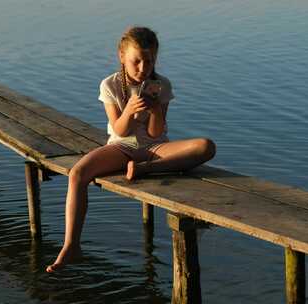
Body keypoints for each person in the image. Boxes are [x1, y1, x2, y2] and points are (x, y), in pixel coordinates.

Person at [46, 26, 215, 273]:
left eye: (149, 61)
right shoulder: (110, 85)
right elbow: (120, 129)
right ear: (122, 56)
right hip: (121, 147)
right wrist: (130, 110)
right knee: (77, 174)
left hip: (155, 149)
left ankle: (147, 169)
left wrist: (156, 109)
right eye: (136, 61)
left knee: (205, 147)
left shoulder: (162, 85)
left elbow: (157, 133)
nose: (142, 68)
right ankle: (71, 245)